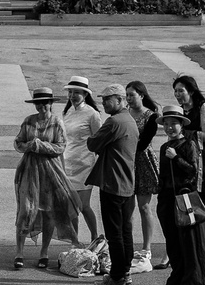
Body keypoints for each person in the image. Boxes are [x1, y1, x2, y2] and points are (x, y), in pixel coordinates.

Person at [12, 87, 78, 271]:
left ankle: (44, 252)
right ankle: (19, 252)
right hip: (30, 170)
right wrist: (28, 146)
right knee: (25, 210)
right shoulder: (28, 121)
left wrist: (41, 146)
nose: (41, 107)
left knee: (48, 212)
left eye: (44, 103)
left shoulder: (57, 122)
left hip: (51, 172)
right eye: (38, 104)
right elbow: (18, 142)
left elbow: (61, 146)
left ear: (50, 104)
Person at [86, 84, 139, 285]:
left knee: (114, 233)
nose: (103, 103)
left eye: (107, 100)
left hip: (112, 184)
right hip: (127, 184)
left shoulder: (114, 122)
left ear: (119, 100)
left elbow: (92, 143)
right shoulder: (130, 120)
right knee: (126, 231)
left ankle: (117, 275)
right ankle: (125, 272)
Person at [154, 104, 205, 285]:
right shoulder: (164, 147)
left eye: (173, 124)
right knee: (173, 242)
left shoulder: (189, 144)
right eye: (166, 124)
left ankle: (193, 279)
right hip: (166, 200)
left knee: (189, 243)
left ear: (181, 125)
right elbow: (163, 175)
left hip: (184, 200)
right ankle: (178, 276)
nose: (169, 128)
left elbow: (193, 172)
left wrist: (176, 158)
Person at [171, 75, 205, 266]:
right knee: (190, 205)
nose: (177, 95)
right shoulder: (182, 110)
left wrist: (182, 133)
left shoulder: (203, 107)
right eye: (175, 91)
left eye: (181, 90)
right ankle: (198, 248)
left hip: (201, 163)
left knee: (203, 206)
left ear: (191, 91)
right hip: (185, 161)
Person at [60, 76, 102, 246]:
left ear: (85, 94)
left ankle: (95, 237)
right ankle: (74, 241)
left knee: (84, 206)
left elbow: (99, 140)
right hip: (67, 163)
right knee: (70, 208)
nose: (72, 95)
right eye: (70, 92)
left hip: (85, 164)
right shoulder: (67, 112)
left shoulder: (92, 114)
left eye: (77, 92)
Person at [124, 81, 162, 272]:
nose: (129, 98)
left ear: (141, 94)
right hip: (127, 163)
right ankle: (128, 247)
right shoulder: (124, 113)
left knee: (144, 206)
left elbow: (143, 142)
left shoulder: (151, 116)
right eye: (127, 95)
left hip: (143, 162)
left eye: (132, 94)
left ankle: (147, 248)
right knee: (127, 207)